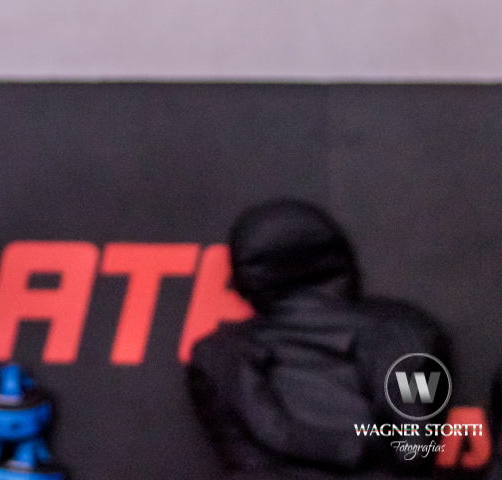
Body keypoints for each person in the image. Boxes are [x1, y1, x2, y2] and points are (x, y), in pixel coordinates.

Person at [188, 199, 449, 479]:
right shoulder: (408, 330)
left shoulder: (219, 354)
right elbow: (416, 446)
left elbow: (416, 444)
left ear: (244, 279)